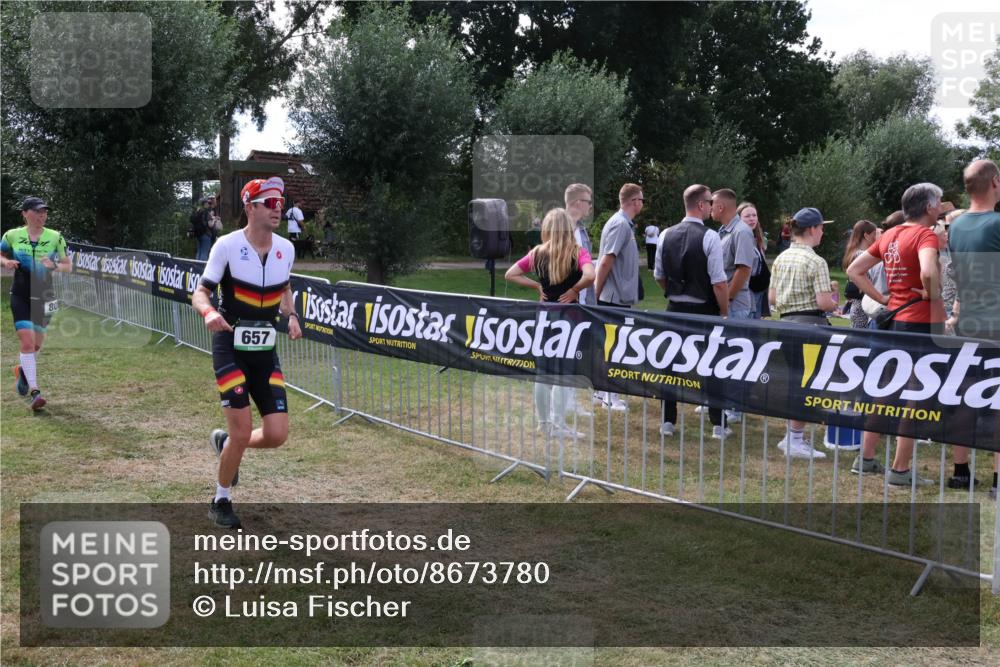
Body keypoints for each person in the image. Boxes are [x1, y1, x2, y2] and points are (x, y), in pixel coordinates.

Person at [192, 176, 303, 529]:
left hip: (265, 350)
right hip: (230, 345)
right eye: (269, 203)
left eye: (280, 203)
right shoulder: (226, 245)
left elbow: (285, 286)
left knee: (277, 434)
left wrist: (292, 315)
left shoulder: (286, 248)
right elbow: (200, 292)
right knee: (243, 430)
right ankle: (220, 499)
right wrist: (208, 313)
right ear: (250, 207)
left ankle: (228, 444)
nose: (277, 209)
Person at [847, 183, 946, 487]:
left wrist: (882, 297)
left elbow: (854, 270)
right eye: (940, 202)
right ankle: (900, 470)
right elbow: (928, 271)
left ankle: (865, 459)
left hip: (892, 321)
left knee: (886, 391)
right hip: (918, 323)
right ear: (928, 207)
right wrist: (932, 294)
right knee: (916, 394)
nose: (941, 208)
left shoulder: (889, 234)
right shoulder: (925, 235)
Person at [505, 208, 595, 437]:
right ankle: (557, 425)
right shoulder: (578, 252)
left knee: (543, 373)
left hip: (544, 316)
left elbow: (511, 273)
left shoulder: (537, 252)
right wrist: (574, 290)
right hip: (569, 319)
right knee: (565, 374)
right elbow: (590, 275)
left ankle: (544, 424)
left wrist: (537, 285)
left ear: (547, 228)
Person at [654, 184, 730, 438]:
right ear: (700, 204)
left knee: (669, 366)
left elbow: (658, 276)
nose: (712, 207)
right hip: (704, 310)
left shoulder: (665, 234)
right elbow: (719, 282)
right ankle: (718, 424)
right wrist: (724, 311)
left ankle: (667, 421)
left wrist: (674, 291)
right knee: (713, 365)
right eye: (710, 202)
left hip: (674, 308)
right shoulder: (710, 236)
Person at [948, 159, 1000, 498]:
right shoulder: (996, 224)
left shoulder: (956, 226)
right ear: (994, 182)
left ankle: (960, 471)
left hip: (966, 323)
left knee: (965, 397)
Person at [769, 207, 837, 459]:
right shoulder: (816, 262)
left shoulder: (781, 258)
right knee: (808, 384)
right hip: (810, 328)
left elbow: (772, 298)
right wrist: (833, 296)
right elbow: (824, 303)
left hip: (786, 325)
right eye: (821, 228)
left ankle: (792, 436)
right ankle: (795, 439)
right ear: (811, 229)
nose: (823, 232)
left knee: (794, 381)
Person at [1, 196, 71, 411]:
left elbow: (68, 266)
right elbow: (0, 254)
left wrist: (54, 266)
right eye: (37, 211)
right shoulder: (12, 235)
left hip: (47, 296)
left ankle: (22, 371)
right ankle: (35, 392)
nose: (42, 215)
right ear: (25, 213)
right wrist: (6, 261)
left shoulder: (56, 237)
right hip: (20, 295)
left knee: (37, 345)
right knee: (27, 343)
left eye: (44, 212)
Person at [593, 183, 644, 411]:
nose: (642, 204)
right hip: (613, 298)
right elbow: (606, 261)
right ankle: (609, 396)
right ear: (634, 201)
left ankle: (601, 392)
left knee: (609, 347)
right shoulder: (620, 224)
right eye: (641, 200)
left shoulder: (623, 224)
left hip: (618, 298)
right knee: (613, 348)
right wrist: (596, 293)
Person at [841, 220, 884, 330]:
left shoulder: (854, 252)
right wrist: (881, 241)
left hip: (858, 305)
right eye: (874, 234)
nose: (876, 237)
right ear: (866, 235)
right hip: (863, 307)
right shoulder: (861, 254)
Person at [737, 202, 770, 319]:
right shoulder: (740, 238)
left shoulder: (757, 237)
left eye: (754, 215)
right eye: (747, 216)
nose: (752, 219)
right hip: (748, 294)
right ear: (739, 219)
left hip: (760, 293)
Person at [191, 196, 215, 261]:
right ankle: (202, 267)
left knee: (199, 252)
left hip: (198, 234)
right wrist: (214, 220)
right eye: (208, 203)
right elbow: (210, 225)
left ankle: (196, 266)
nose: (209, 204)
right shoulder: (206, 213)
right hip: (206, 234)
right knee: (204, 253)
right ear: (205, 203)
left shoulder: (198, 211)